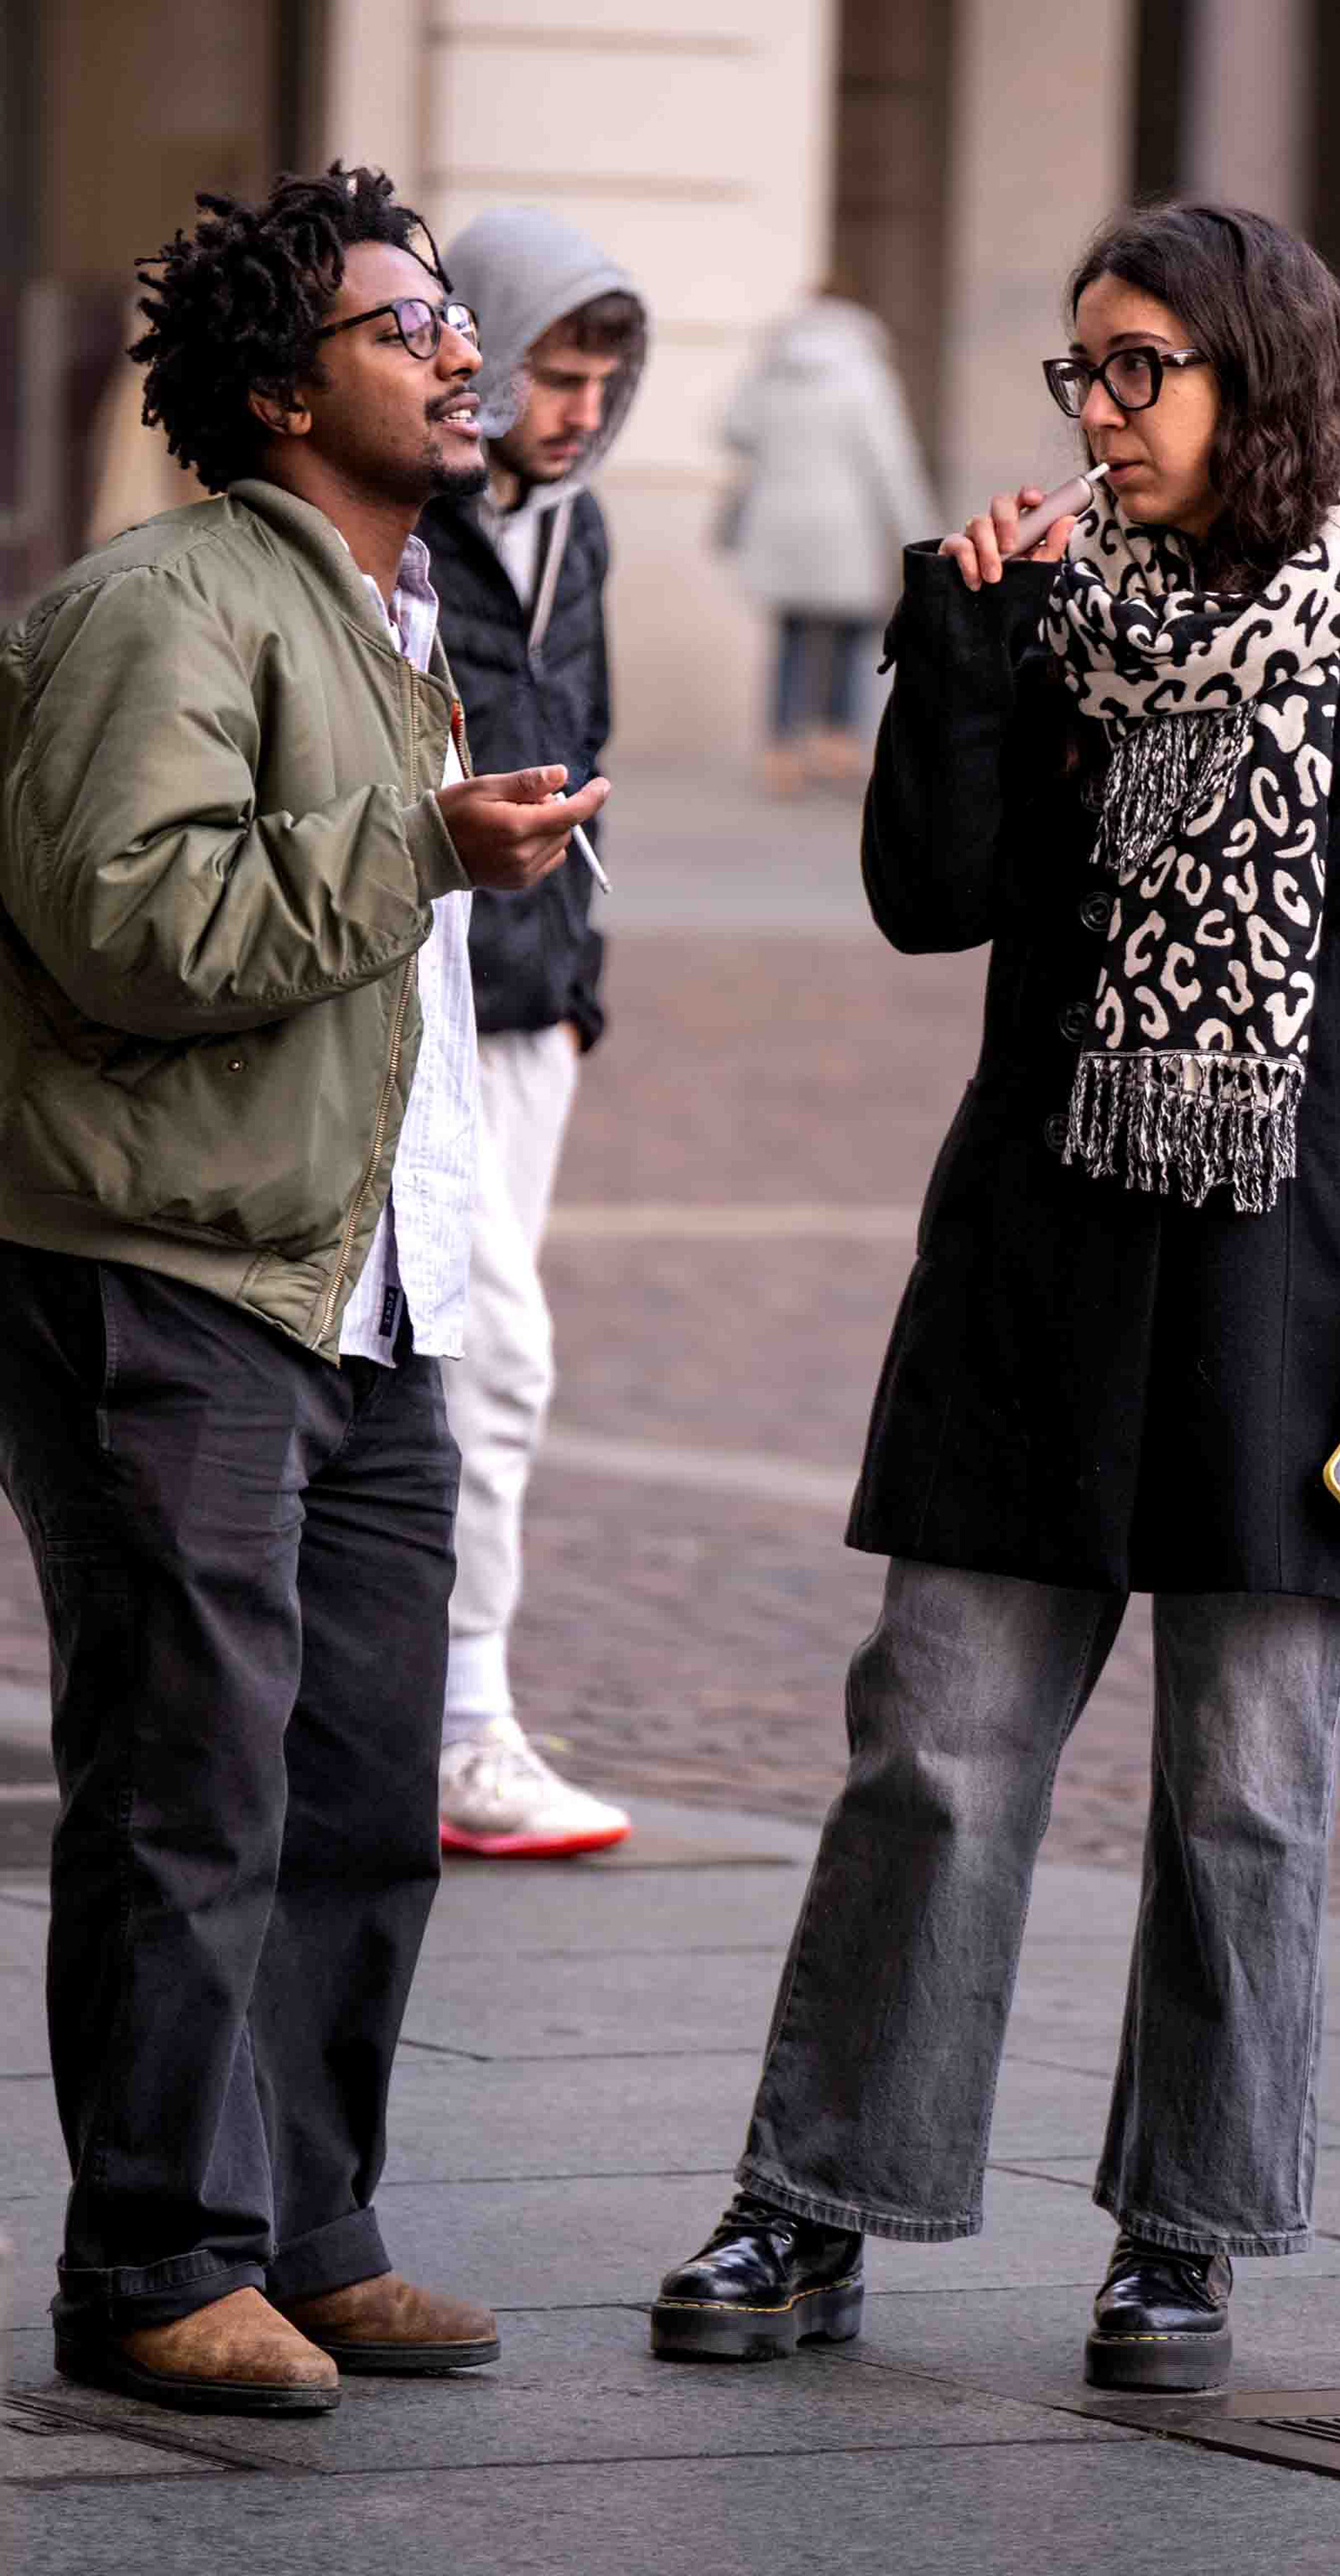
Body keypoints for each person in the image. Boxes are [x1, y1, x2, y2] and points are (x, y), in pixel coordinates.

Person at [651, 202, 1340, 2393]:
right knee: (933, 1750)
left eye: (1143, 365)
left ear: (1263, 377)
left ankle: (1185, 2237)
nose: (1101, 410)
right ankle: (815, 2198)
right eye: (1084, 368)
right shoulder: (1054, 624)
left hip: (1301, 1317)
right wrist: (962, 651)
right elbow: (928, 897)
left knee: (1246, 1795)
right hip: (1040, 1282)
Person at [0, 165, 608, 2416]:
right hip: (174, 1275)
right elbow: (128, 922)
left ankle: (309, 2228)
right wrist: (419, 844)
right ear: (279, 391)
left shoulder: (400, 613)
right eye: (402, 325)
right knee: (192, 1779)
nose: (460, 352)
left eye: (452, 316)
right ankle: (155, 2257)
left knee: (357, 1784)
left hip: (374, 1289)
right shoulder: (163, 607)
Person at [419, 208, 646, 1860]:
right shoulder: (405, 524)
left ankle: (410, 1714)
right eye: (552, 373)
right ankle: (461, 1729)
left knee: (458, 1371)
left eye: (602, 381)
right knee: (496, 1362)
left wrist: (577, 992)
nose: (578, 410)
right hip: (414, 995)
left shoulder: (582, 533)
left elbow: (591, 748)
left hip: (528, 1018)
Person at [719, 290, 936, 794]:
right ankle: (836, 744)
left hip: (780, 522)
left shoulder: (774, 367)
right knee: (850, 633)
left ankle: (781, 750)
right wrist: (921, 533)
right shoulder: (863, 373)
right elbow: (891, 462)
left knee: (792, 634)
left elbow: (734, 429)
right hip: (845, 525)